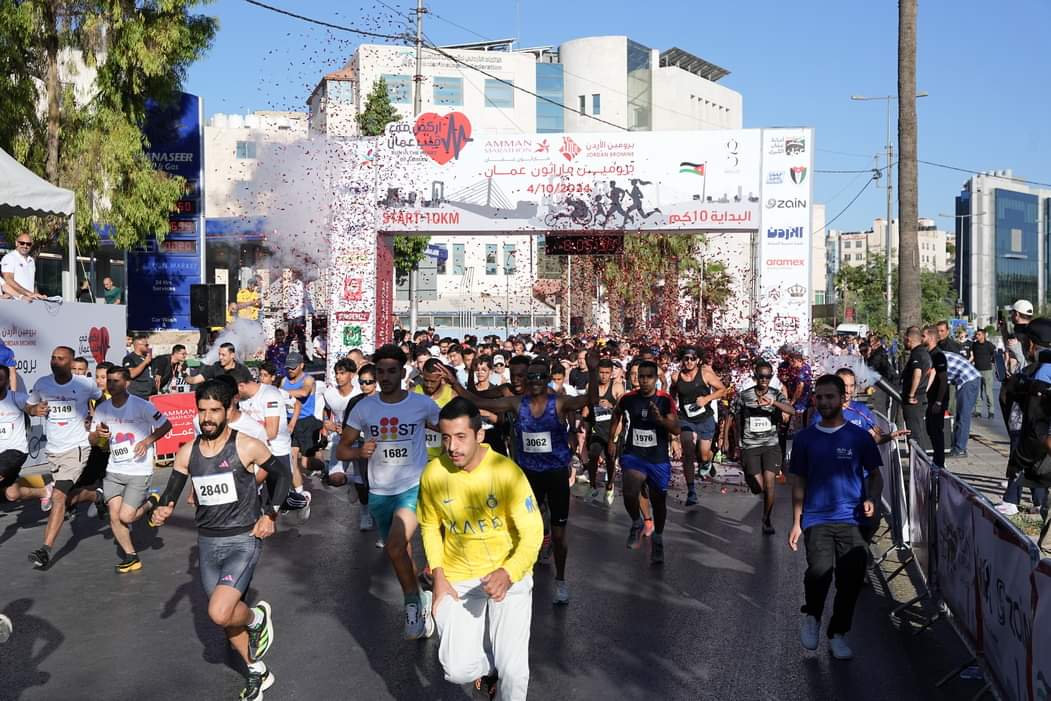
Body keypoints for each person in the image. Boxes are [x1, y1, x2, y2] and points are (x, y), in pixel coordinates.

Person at [150, 379, 290, 701]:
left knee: (219, 611)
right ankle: (256, 670)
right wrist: (163, 509)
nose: (207, 418)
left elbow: (281, 474)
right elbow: (171, 493)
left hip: (243, 539)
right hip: (208, 543)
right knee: (226, 617)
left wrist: (270, 514)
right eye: (202, 411)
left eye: (215, 410)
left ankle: (257, 618)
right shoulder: (187, 452)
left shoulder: (247, 445)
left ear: (228, 410)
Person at [444, 350, 599, 604]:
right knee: (520, 527)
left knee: (559, 534)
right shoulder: (517, 403)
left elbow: (590, 400)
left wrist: (592, 371)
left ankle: (560, 580)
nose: (535, 381)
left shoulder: (559, 402)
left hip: (556, 474)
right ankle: (517, 573)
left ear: (547, 379)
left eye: (541, 377)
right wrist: (454, 382)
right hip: (528, 476)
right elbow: (475, 400)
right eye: (531, 377)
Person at [419, 398, 543, 701]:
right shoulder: (433, 473)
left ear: (479, 435)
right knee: (457, 670)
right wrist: (439, 576)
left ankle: (502, 669)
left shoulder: (507, 472)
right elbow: (429, 526)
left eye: (461, 437)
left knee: (514, 670)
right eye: (446, 437)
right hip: (458, 578)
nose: (452, 447)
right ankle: (490, 669)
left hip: (509, 576)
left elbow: (533, 532)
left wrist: (509, 572)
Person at [337, 344, 440, 639]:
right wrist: (358, 451)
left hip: (413, 486)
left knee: (394, 546)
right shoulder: (364, 408)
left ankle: (412, 604)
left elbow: (447, 428)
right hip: (380, 492)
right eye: (380, 372)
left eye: (392, 371)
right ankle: (420, 595)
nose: (385, 377)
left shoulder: (422, 404)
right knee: (400, 551)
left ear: (402, 372)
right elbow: (342, 449)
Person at [789, 374, 883, 661]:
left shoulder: (859, 437)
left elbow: (875, 476)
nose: (824, 402)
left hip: (851, 518)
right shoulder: (805, 439)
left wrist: (871, 498)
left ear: (843, 399)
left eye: (830, 396)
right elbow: (799, 481)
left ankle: (837, 633)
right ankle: (813, 615)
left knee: (850, 579)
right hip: (817, 517)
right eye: (819, 397)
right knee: (819, 572)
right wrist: (796, 521)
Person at [25, 346, 104, 569]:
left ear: (71, 363)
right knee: (64, 498)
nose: (55, 361)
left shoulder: (85, 384)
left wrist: (95, 422)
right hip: (53, 450)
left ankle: (45, 550)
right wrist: (34, 410)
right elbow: (29, 405)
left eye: (60, 358)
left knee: (59, 497)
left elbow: (102, 400)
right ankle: (95, 495)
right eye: (53, 358)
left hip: (77, 448)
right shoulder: (42, 383)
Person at [89, 366, 172, 572]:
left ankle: (152, 502)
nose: (111, 384)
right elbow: (92, 440)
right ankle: (131, 556)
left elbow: (166, 425)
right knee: (114, 515)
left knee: (126, 517)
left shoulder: (142, 406)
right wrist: (98, 434)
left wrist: (146, 441)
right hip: (114, 470)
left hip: (138, 470)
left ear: (127, 383)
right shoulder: (102, 408)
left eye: (116, 381)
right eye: (109, 380)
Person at [609, 360, 680, 563]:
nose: (645, 380)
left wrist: (660, 420)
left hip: (657, 458)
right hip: (634, 455)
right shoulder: (628, 398)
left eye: (649, 377)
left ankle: (658, 537)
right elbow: (616, 414)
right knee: (629, 491)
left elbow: (676, 429)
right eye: (641, 376)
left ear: (656, 379)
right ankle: (636, 522)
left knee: (659, 503)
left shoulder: (665, 400)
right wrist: (612, 439)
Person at [230, 365, 307, 519]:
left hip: (277, 450)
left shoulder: (271, 394)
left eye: (233, 391)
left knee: (281, 500)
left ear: (241, 386)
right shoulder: (242, 399)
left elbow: (271, 432)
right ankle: (254, 521)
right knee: (251, 489)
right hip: (254, 451)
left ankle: (304, 501)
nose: (233, 396)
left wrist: (292, 423)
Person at [732, 360, 796, 534]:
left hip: (771, 445)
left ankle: (767, 519)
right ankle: (750, 476)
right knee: (758, 487)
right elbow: (732, 414)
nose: (764, 380)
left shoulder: (776, 394)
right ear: (755, 377)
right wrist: (727, 439)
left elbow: (791, 410)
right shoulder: (744, 395)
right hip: (750, 445)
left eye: (768, 377)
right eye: (761, 376)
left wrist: (773, 403)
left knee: (769, 485)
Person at [670, 347, 727, 507]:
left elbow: (723, 390)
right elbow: (672, 396)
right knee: (688, 451)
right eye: (686, 358)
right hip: (685, 419)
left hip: (705, 418)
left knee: (703, 455)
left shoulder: (706, 374)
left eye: (692, 358)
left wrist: (707, 399)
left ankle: (707, 462)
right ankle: (691, 491)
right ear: (682, 359)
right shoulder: (676, 376)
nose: (689, 361)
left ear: (698, 360)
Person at [583, 358, 623, 506]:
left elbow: (622, 407)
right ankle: (593, 485)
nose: (604, 376)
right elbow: (586, 404)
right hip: (597, 429)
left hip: (612, 429)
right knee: (593, 454)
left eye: (607, 373)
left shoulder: (617, 387)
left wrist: (612, 405)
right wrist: (584, 415)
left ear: (611, 373)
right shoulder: (591, 386)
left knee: (610, 459)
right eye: (601, 372)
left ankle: (609, 486)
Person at [281, 351, 322, 489]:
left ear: (301, 365)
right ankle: (299, 491)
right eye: (288, 367)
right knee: (291, 457)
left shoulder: (308, 379)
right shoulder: (284, 380)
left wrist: (283, 393)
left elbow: (304, 392)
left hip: (306, 422)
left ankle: (324, 466)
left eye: (293, 367)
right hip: (290, 421)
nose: (290, 370)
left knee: (306, 464)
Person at [414, 358, 456, 461]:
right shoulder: (412, 394)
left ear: (441, 377)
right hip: (416, 458)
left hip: (442, 457)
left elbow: (455, 428)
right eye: (426, 380)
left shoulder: (452, 396)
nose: (429, 385)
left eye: (433, 381)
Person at [943, 346, 981, 458]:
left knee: (963, 415)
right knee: (960, 415)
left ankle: (960, 449)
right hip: (967, 379)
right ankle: (957, 445)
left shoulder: (933, 359)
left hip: (968, 380)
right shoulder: (936, 355)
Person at [901, 327, 933, 454]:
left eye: (904, 340)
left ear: (908, 339)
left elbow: (917, 373)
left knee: (914, 435)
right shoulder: (925, 353)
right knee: (917, 432)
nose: (904, 342)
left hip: (914, 401)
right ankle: (920, 461)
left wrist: (911, 394)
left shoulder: (916, 354)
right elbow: (931, 372)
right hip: (921, 396)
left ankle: (919, 462)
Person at [923, 326, 949, 467]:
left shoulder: (938, 355)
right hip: (931, 398)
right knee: (930, 429)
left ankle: (940, 462)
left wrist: (938, 402)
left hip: (937, 399)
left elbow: (943, 380)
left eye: (924, 336)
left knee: (936, 430)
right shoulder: (928, 354)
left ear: (931, 338)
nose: (922, 338)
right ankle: (936, 460)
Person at [1, 234, 46, 301]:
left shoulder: (31, 260)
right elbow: (8, 279)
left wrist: (38, 295)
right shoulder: (9, 257)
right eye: (22, 243)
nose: (25, 246)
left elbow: (33, 283)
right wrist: (28, 294)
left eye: (28, 244)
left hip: (30, 301)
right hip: (15, 301)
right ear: (16, 243)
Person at [284, 269, 312, 356]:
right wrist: (286, 311)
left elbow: (307, 298)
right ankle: (285, 352)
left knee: (300, 333)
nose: (292, 275)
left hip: (300, 314)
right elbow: (288, 299)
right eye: (292, 274)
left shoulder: (302, 285)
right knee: (290, 334)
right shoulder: (290, 285)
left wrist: (311, 311)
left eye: (294, 274)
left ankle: (302, 354)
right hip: (291, 314)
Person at [969, 329, 996, 419]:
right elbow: (972, 356)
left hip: (987, 371)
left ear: (984, 335)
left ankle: (991, 411)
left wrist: (991, 361)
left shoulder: (989, 345)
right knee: (977, 393)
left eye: (979, 334)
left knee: (988, 392)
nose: (977, 336)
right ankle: (978, 411)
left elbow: (994, 354)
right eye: (976, 334)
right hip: (977, 371)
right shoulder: (974, 345)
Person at [122, 333, 155, 399]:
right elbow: (131, 374)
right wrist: (145, 362)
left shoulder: (147, 358)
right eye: (146, 345)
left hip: (150, 394)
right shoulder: (129, 358)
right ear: (138, 345)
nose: (148, 347)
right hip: (137, 395)